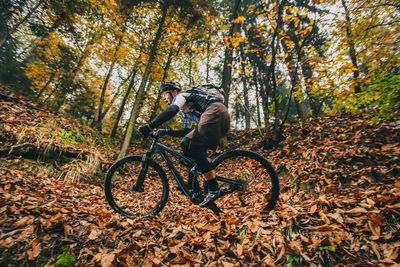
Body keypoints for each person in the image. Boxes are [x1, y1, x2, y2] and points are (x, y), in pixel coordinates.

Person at [138, 81, 230, 207]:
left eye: (165, 94)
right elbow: (186, 131)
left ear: (174, 92)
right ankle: (194, 185)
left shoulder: (181, 96)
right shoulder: (186, 110)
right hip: (218, 115)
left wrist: (149, 126)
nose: (163, 98)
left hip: (215, 111)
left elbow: (172, 110)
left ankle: (214, 189)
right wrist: (166, 131)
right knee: (186, 143)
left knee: (194, 147)